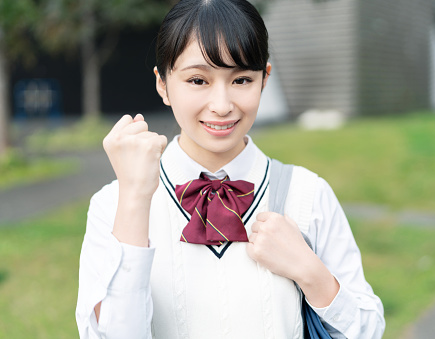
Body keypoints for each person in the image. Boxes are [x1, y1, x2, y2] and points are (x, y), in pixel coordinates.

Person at [76, 0, 385, 338]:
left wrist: (310, 272)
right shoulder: (113, 205)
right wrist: (135, 200)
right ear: (163, 84)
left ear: (264, 80)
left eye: (240, 80)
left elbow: (367, 331)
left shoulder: (308, 195)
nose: (222, 106)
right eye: (198, 80)